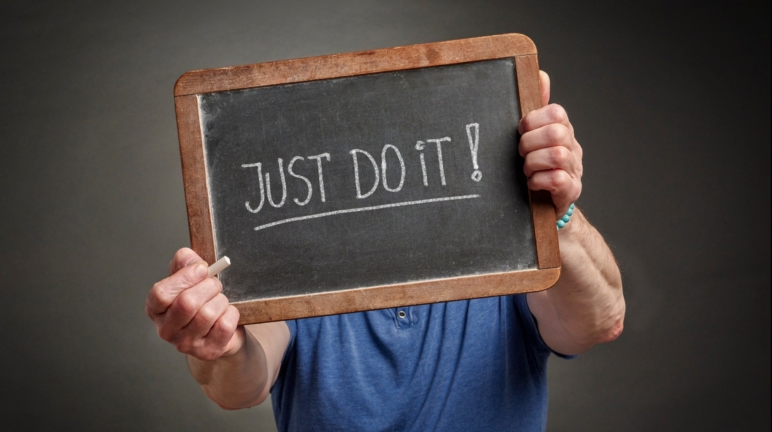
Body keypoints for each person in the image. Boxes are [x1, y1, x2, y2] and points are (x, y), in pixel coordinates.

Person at [145, 71, 625, 431]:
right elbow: (242, 384)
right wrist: (220, 347)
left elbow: (601, 320)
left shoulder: (505, 249)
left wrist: (555, 214)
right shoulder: (289, 262)